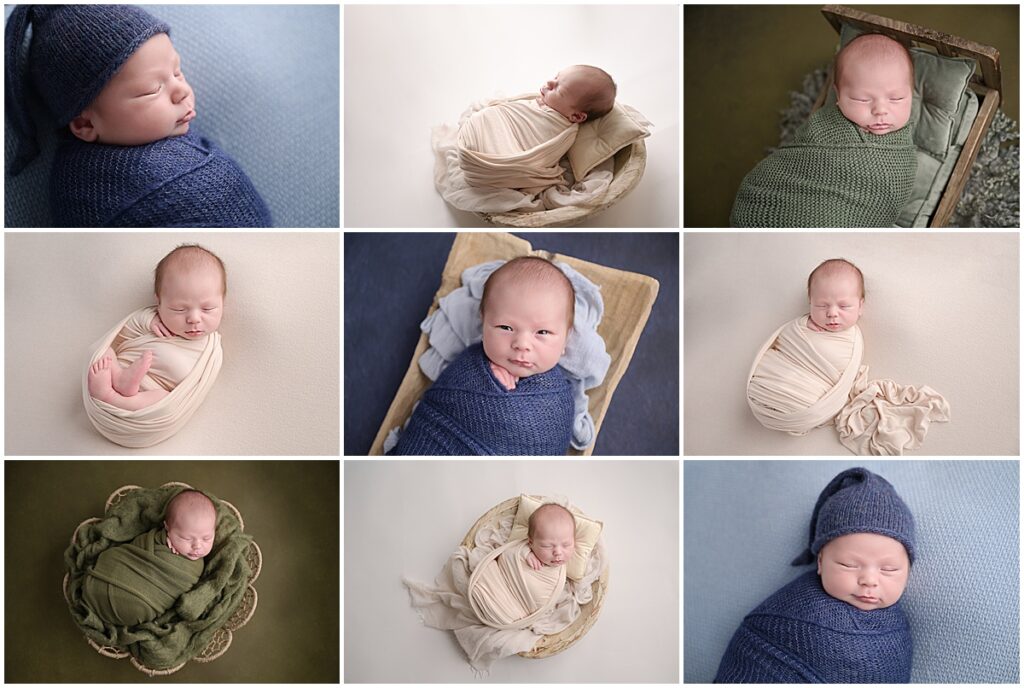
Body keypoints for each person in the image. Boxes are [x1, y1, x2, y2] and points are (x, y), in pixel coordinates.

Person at [5, 4, 271, 226]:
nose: (181, 91)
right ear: (84, 124)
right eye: (152, 89)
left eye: (177, 72)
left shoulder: (170, 131)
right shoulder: (90, 191)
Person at [714, 467, 915, 682]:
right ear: (820, 562)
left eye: (889, 569)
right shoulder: (791, 614)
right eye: (848, 565)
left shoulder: (897, 630)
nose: (869, 580)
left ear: (908, 570)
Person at [730, 33, 917, 227]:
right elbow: (798, 159)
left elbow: (887, 197)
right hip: (766, 194)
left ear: (911, 94)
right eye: (862, 100)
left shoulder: (900, 159)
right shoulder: (826, 127)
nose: (880, 110)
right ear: (838, 95)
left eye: (896, 99)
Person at [87, 244, 226, 411]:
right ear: (158, 302)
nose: (194, 319)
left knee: (164, 400)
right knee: (102, 350)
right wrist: (148, 321)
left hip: (151, 394)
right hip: (118, 371)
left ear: (222, 302)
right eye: (179, 309)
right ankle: (119, 377)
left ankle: (110, 397)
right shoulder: (152, 321)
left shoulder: (212, 351)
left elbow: (197, 390)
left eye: (207, 308)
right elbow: (123, 335)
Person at [81, 490, 216, 626]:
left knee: (137, 608)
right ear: (167, 529)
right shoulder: (155, 538)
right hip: (111, 572)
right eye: (185, 538)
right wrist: (161, 540)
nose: (197, 546)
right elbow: (136, 548)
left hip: (136, 604)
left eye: (207, 538)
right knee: (110, 558)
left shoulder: (196, 567)